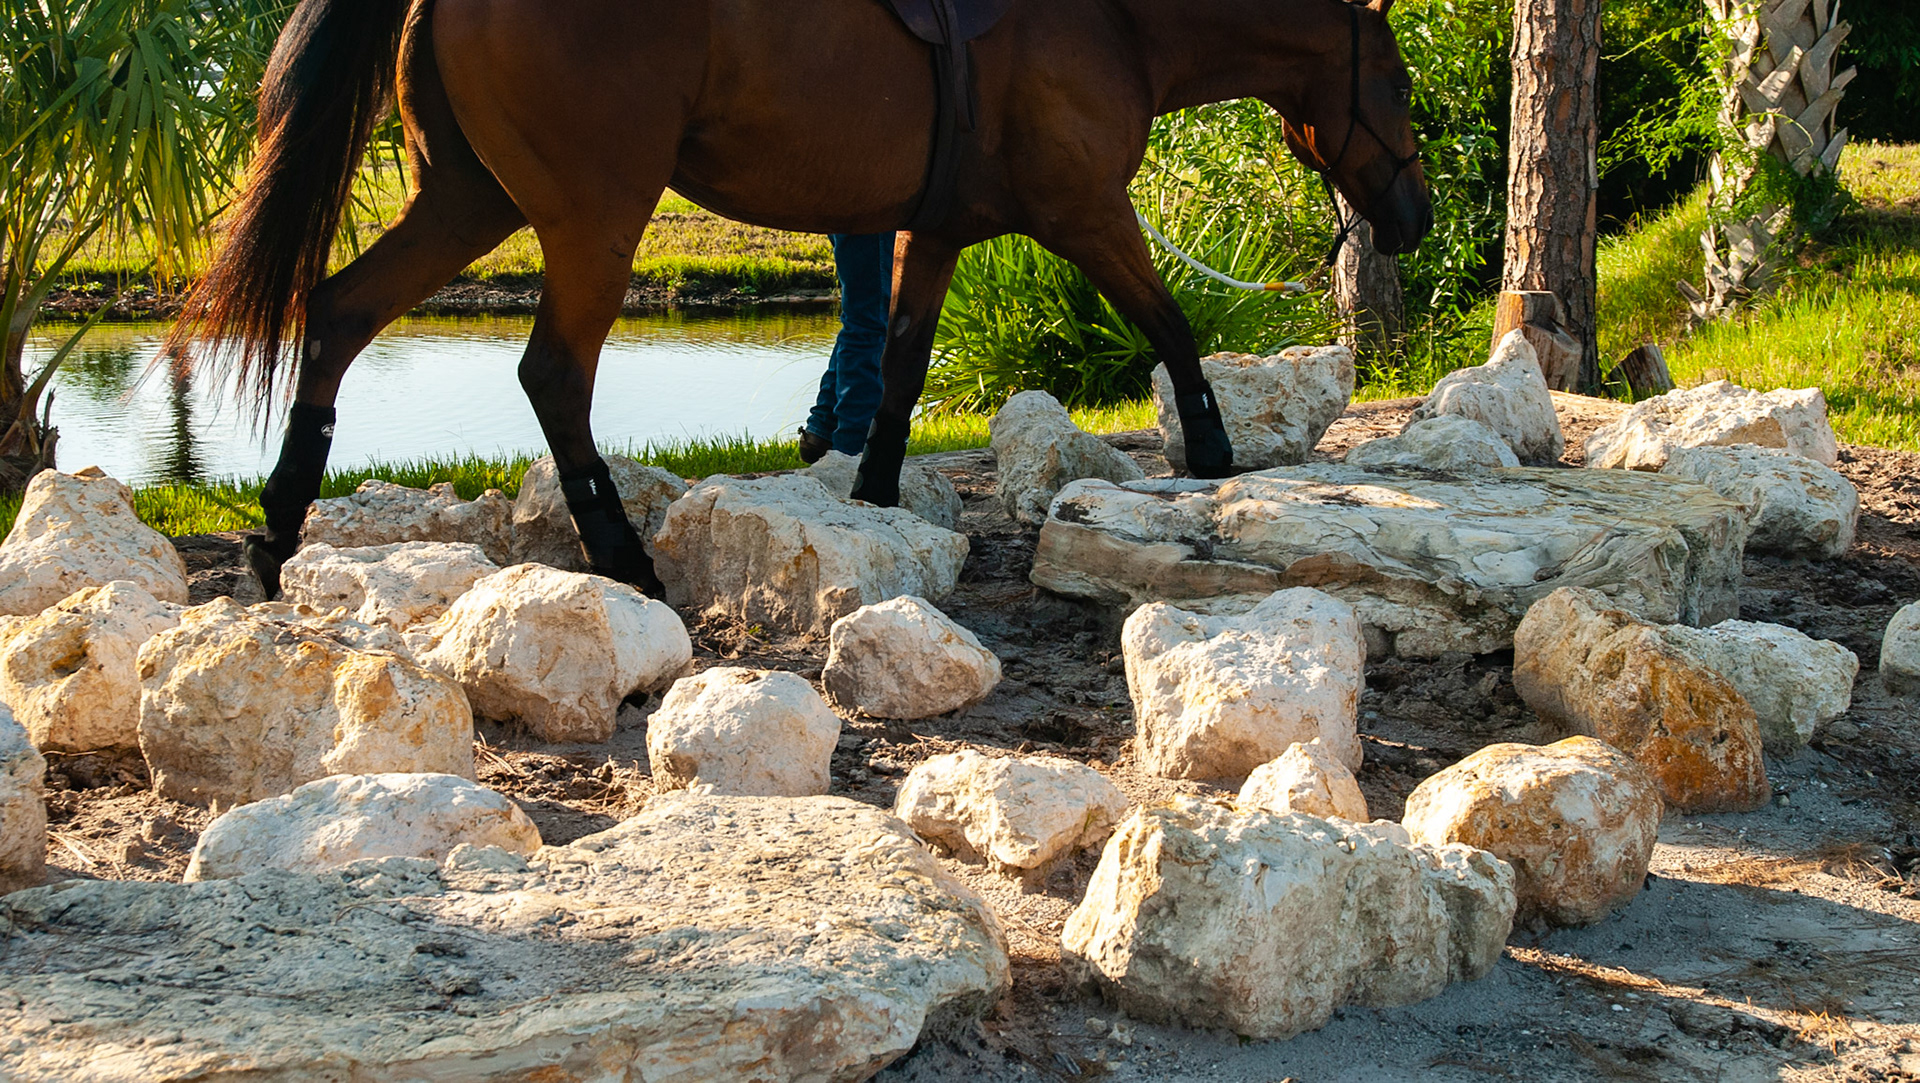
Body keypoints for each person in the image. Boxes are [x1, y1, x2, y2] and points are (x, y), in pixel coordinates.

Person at [798, 231, 897, 464]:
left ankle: (823, 428)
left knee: (861, 318)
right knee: (870, 319)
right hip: (870, 207)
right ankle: (851, 452)